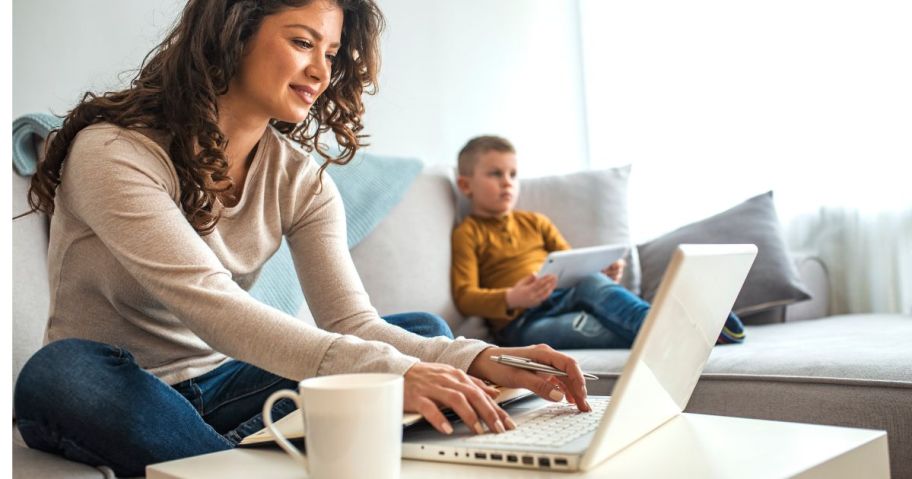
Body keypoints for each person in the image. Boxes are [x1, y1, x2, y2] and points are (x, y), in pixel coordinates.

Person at [12, 2, 590, 476]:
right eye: (302, 42)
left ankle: (236, 454)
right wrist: (389, 374)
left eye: (332, 53)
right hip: (115, 383)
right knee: (64, 371)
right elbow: (209, 301)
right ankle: (254, 452)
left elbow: (354, 325)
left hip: (224, 381)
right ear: (233, 34)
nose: (321, 70)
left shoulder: (300, 178)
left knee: (422, 333)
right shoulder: (115, 152)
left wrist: (485, 356)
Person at [451, 135, 746, 349]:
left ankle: (679, 327)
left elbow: (571, 266)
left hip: (566, 297)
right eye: (495, 174)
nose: (507, 182)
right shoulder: (468, 233)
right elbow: (464, 296)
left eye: (513, 174)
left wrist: (599, 272)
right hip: (522, 324)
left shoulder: (535, 221)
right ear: (466, 185)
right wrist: (511, 299)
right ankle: (692, 329)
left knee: (592, 282)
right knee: (594, 328)